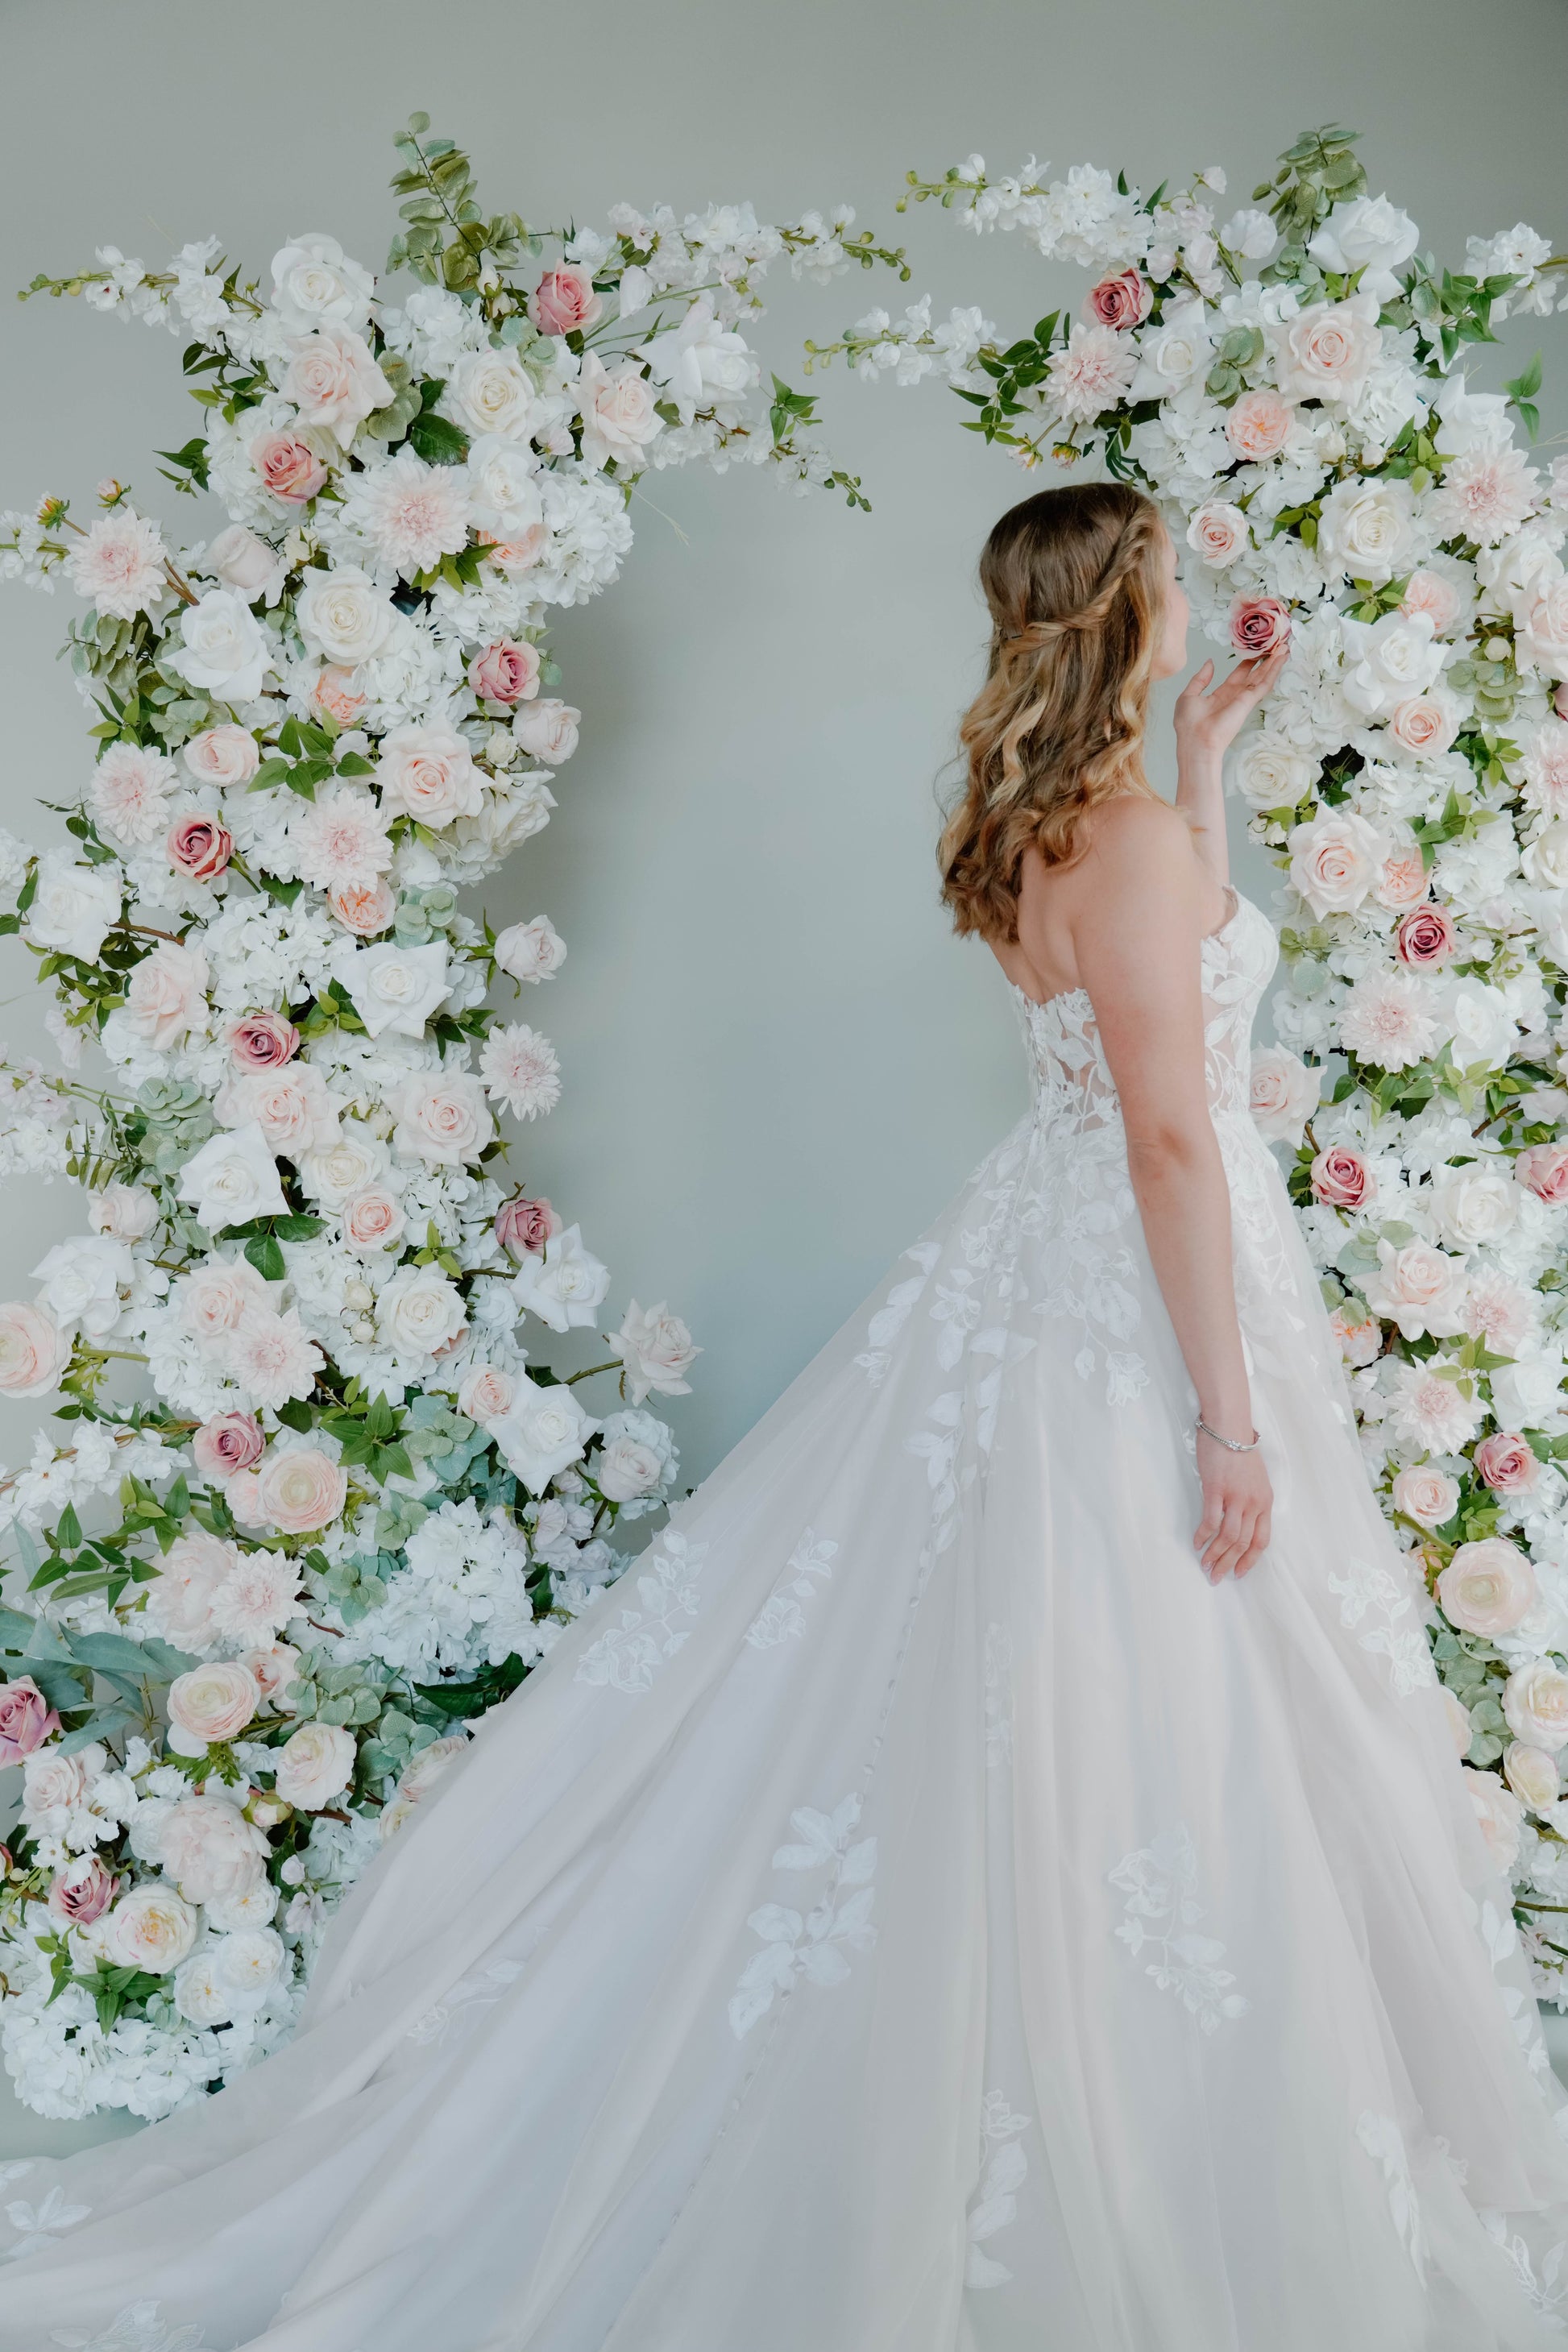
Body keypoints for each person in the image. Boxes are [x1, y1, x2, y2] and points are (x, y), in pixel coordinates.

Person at [4, 481, 1568, 2352]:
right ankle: (1151, 2127)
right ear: (1120, 604)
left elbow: (1173, 1001)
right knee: (1164, 1656)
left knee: (1096, 1671)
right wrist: (1228, 1420)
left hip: (1051, 1260)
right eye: (1167, 577)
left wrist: (1205, 755)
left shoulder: (1036, 829)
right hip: (1148, 1292)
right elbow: (1170, 1123)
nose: (1188, 595)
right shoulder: (1123, 840)